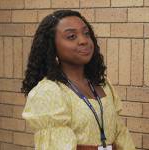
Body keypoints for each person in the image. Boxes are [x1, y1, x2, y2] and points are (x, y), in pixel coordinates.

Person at [21, 9, 136, 150]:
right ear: (52, 46)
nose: (84, 41)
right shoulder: (49, 91)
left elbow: (121, 135)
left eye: (86, 33)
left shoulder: (103, 85)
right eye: (71, 36)